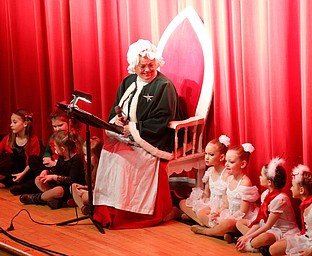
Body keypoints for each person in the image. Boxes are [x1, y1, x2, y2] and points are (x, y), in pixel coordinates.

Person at [93, 39, 182, 229]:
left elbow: (163, 119)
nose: (147, 70)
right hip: (127, 136)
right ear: (134, 65)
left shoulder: (163, 86)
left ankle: (128, 213)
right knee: (108, 153)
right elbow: (116, 107)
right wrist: (117, 121)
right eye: (142, 66)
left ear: (157, 63)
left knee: (123, 160)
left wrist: (134, 129)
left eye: (151, 65)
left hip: (152, 139)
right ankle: (107, 208)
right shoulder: (128, 81)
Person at [190, 143, 260, 239]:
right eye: (226, 161)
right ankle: (226, 233)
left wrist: (228, 219)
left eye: (231, 162)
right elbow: (226, 204)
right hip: (229, 213)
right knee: (202, 214)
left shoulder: (245, 183)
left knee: (227, 223)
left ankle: (207, 231)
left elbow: (243, 211)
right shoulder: (229, 179)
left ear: (242, 164)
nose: (226, 164)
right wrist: (218, 212)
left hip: (240, 218)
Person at [10, 108, 82, 195]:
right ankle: (43, 182)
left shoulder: (73, 138)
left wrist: (54, 163)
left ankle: (33, 189)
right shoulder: (53, 136)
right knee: (33, 159)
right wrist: (47, 158)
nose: (57, 129)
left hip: (64, 169)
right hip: (54, 167)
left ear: (69, 122)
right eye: (54, 126)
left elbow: (75, 159)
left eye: (60, 125)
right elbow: (48, 150)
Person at [235, 157, 299, 254]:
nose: (259, 177)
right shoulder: (265, 194)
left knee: (263, 237)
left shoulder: (280, 199)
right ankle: (256, 244)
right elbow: (261, 220)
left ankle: (256, 244)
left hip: (282, 231)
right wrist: (246, 236)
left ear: (269, 182)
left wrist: (247, 237)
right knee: (239, 223)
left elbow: (268, 225)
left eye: (261, 175)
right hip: (269, 227)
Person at [19, 130, 86, 209]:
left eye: (55, 146)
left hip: (69, 188)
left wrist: (54, 177)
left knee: (58, 190)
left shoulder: (76, 159)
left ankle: (36, 198)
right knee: (38, 179)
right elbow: (56, 170)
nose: (54, 148)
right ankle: (55, 200)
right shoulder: (62, 157)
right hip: (59, 184)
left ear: (63, 148)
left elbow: (72, 180)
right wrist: (47, 172)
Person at [179, 135, 231, 225]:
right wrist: (202, 202)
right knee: (182, 203)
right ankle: (201, 221)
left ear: (222, 157)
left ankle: (201, 221)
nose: (206, 157)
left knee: (203, 214)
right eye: (206, 153)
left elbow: (226, 200)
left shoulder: (226, 174)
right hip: (211, 203)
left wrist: (215, 210)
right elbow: (207, 193)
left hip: (221, 207)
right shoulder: (210, 171)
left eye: (211, 155)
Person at [269, 165, 312, 256]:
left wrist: (311, 251)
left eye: (292, 186)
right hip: (306, 240)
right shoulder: (305, 207)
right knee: (273, 249)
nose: (290, 189)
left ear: (301, 190)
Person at [0, 109, 40, 188]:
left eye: (14, 122)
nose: (11, 125)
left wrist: (22, 174)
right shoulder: (9, 138)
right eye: (11, 122)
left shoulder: (33, 140)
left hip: (26, 172)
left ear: (25, 124)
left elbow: (32, 162)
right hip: (13, 172)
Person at [71, 136, 102, 215]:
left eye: (90, 156)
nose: (86, 158)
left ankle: (85, 205)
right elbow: (93, 186)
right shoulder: (90, 167)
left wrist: (87, 192)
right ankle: (84, 208)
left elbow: (101, 190)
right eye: (85, 155)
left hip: (100, 195)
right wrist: (84, 187)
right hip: (93, 192)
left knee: (86, 197)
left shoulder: (102, 169)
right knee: (73, 186)